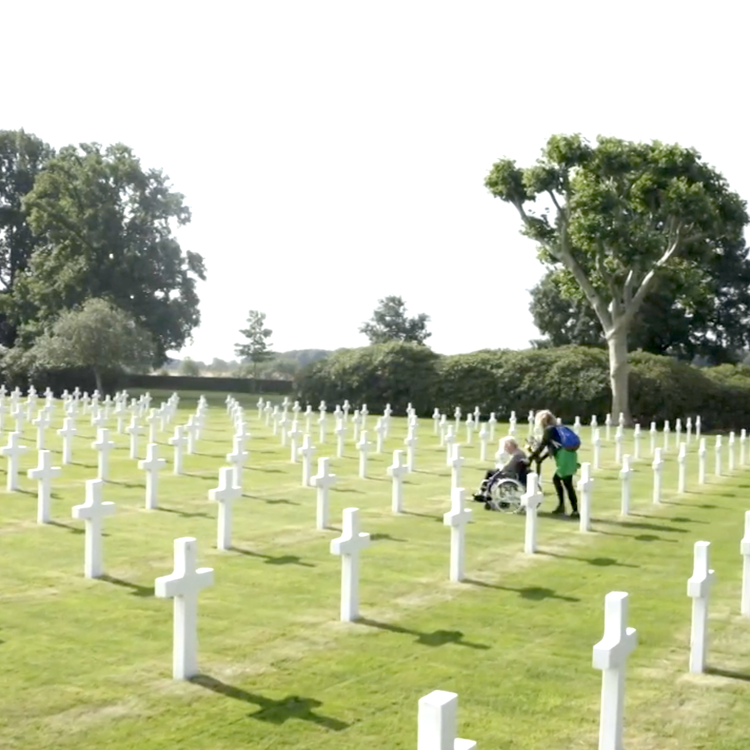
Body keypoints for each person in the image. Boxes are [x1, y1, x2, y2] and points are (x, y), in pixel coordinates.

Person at [527, 410, 580, 518]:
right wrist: (541, 458)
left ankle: (571, 509)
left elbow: (542, 446)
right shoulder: (557, 428)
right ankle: (565, 507)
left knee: (564, 482)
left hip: (564, 457)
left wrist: (530, 458)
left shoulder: (549, 430)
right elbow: (552, 447)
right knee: (564, 482)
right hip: (569, 455)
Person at [473, 436, 528, 503]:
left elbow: (507, 467)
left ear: (510, 445)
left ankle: (484, 493)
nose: (505, 448)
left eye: (505, 446)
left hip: (510, 475)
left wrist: (500, 467)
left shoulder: (516, 455)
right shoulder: (520, 452)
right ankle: (484, 492)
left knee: (490, 473)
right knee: (492, 472)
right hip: (515, 473)